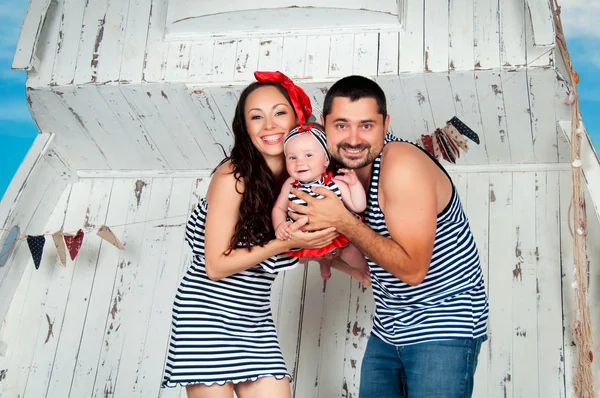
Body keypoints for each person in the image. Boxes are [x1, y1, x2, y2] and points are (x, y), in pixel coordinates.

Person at [288, 75, 489, 397]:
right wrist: (323, 251)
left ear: (385, 124)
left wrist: (342, 221)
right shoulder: (334, 174)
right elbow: (367, 261)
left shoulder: (401, 164)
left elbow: (411, 270)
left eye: (366, 125)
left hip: (444, 324)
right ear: (325, 126)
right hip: (389, 327)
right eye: (341, 126)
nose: (353, 139)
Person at [162, 71, 338, 398]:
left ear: (297, 119)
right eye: (256, 117)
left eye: (279, 113)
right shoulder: (233, 176)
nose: (269, 125)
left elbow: (305, 246)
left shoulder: (297, 183)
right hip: (206, 317)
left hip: (252, 318)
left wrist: (357, 268)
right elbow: (215, 266)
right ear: (246, 128)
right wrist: (285, 242)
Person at [272, 123, 370, 284]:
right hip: (306, 239)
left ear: (325, 160)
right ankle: (323, 260)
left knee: (352, 255)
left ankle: (361, 270)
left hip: (335, 235)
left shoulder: (334, 183)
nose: (299, 162)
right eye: (292, 157)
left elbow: (358, 206)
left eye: (308, 155)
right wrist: (279, 226)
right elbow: (279, 208)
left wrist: (354, 185)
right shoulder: (290, 183)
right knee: (297, 258)